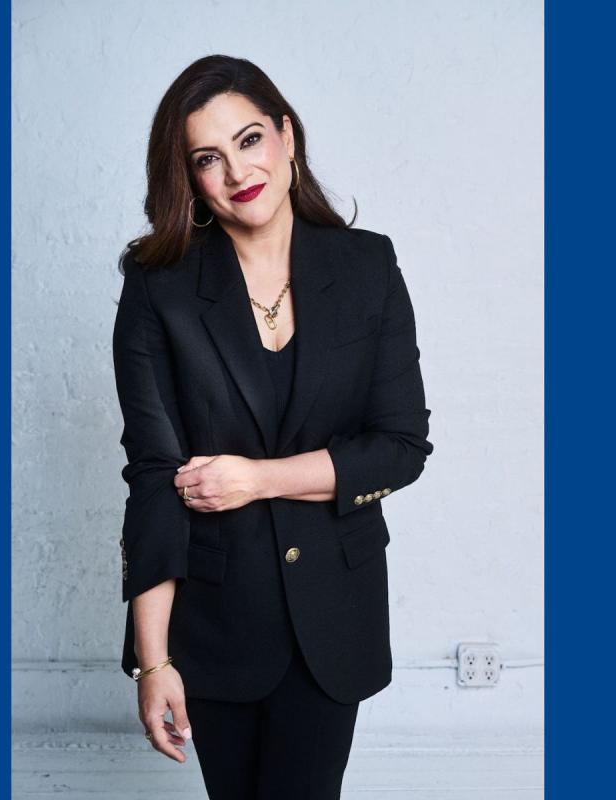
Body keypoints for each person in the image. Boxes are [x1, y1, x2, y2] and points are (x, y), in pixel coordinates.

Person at [112, 54, 433, 800]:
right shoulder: (159, 291)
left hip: (334, 614)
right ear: (188, 179)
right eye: (208, 159)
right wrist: (154, 661)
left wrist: (256, 479)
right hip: (216, 620)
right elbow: (154, 482)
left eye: (250, 139)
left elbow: (401, 446)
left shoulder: (367, 267)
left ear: (287, 136)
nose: (237, 172)